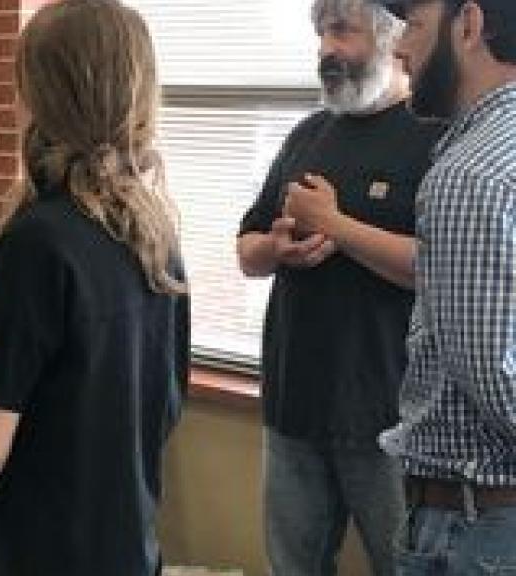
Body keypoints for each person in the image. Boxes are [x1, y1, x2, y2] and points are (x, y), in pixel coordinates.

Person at [0, 2, 189, 575]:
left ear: (44, 97)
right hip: (124, 548)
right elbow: (165, 408)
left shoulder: (37, 241)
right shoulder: (156, 235)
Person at [236, 0, 443, 574]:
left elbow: (438, 269)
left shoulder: (434, 137)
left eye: (343, 31)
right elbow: (246, 250)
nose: (328, 48)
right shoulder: (307, 135)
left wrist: (336, 226)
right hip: (292, 406)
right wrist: (276, 249)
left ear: (390, 38)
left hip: (390, 418)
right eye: (323, 34)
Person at [370, 0, 516, 573]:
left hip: (479, 530)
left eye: (414, 25)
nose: (399, 47)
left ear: (469, 24)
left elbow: (498, 381)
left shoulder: (470, 175)